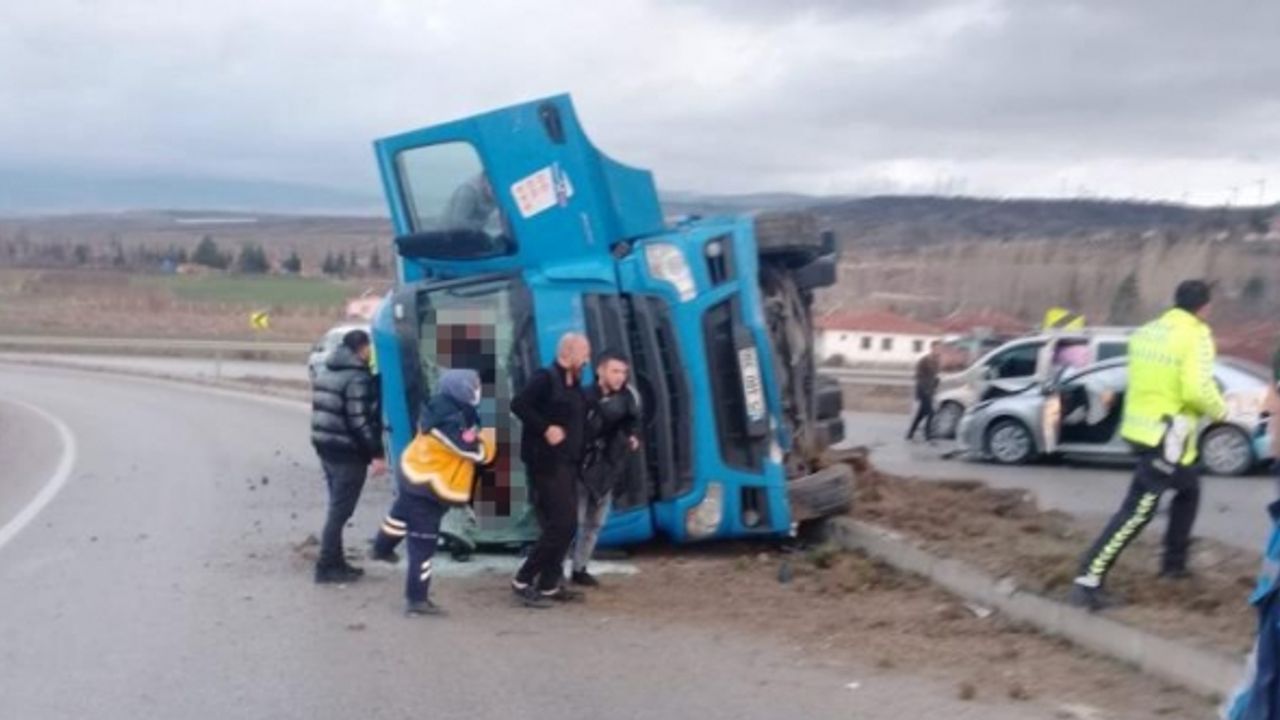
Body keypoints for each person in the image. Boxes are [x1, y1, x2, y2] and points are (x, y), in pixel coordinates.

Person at [1069, 280, 1227, 611]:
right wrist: (1221, 410)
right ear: (1204, 308)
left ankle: (1174, 566)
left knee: (1189, 490)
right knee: (1138, 512)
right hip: (1165, 436)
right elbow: (1196, 390)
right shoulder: (1196, 335)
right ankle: (1088, 579)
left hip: (1141, 429)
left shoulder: (1148, 332)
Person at [369, 369, 494, 616]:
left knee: (400, 515)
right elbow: (474, 452)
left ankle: (381, 548)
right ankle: (417, 600)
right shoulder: (448, 421)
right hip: (428, 485)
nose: (479, 389)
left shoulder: (443, 407)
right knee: (422, 545)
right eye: (475, 385)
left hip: (416, 474)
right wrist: (488, 439)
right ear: (462, 389)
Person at [510, 333, 591, 608]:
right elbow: (519, 404)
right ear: (567, 353)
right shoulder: (545, 378)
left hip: (568, 462)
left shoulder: (574, 382)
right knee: (562, 524)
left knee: (565, 526)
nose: (587, 359)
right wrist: (545, 428)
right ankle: (523, 579)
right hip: (546, 463)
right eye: (584, 353)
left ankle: (548, 585)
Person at [310, 329, 384, 584]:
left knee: (337, 506)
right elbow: (359, 421)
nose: (371, 352)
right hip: (347, 452)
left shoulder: (327, 371)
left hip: (326, 447)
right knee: (340, 512)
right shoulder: (356, 378)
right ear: (361, 349)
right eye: (369, 347)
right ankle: (326, 566)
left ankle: (336, 562)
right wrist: (376, 453)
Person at [572, 351, 641, 587]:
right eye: (615, 371)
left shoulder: (628, 398)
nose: (620, 376)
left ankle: (580, 568)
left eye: (623, 372)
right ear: (600, 371)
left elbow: (632, 425)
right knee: (570, 523)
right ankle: (552, 572)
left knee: (595, 523)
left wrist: (631, 437)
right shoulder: (583, 397)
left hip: (607, 468)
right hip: (581, 468)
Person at [906, 341, 942, 441]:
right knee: (931, 413)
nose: (938, 351)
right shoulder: (924, 360)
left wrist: (935, 387)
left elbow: (935, 376)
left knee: (921, 413)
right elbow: (918, 376)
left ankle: (910, 433)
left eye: (939, 349)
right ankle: (928, 434)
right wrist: (924, 389)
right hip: (923, 390)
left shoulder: (937, 361)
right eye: (936, 348)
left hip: (930, 390)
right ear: (932, 348)